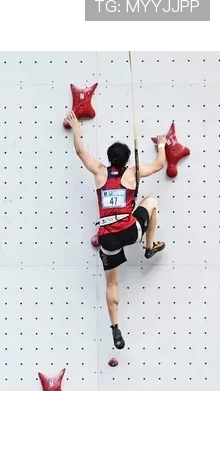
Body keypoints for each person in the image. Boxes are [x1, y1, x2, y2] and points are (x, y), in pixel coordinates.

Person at [65, 111, 166, 350]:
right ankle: (149, 246)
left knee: (112, 284)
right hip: (130, 231)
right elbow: (160, 165)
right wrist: (161, 144)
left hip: (108, 238)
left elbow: (81, 152)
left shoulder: (100, 172)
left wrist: (76, 129)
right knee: (151, 202)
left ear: (110, 159)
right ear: (127, 160)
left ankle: (114, 327)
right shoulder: (131, 173)